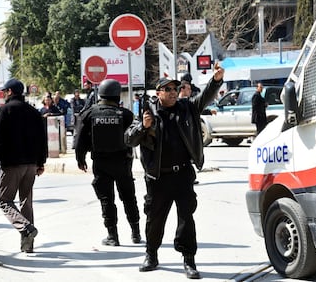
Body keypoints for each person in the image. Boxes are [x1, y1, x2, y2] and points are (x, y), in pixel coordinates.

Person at [125, 64, 224, 279]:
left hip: (183, 175)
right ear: (158, 93)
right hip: (158, 177)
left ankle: (189, 259)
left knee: (186, 219)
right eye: (167, 89)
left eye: (175, 89)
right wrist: (143, 126)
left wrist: (216, 80)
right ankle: (151, 254)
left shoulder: (186, 108)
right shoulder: (147, 113)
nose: (172, 93)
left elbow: (205, 97)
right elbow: (129, 139)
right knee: (155, 219)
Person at [75, 79, 141, 247]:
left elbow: (80, 139)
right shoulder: (125, 114)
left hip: (101, 162)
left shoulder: (89, 113)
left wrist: (80, 159)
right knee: (128, 198)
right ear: (117, 95)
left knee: (106, 199)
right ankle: (136, 233)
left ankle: (113, 236)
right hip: (122, 163)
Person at [0, 78, 47, 253]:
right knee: (26, 202)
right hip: (31, 165)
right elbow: (43, 140)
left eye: (4, 92)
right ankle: (28, 246)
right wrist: (41, 162)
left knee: (5, 201)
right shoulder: (34, 112)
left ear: (10, 92)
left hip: (11, 164)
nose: (3, 95)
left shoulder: (4, 111)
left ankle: (26, 229)